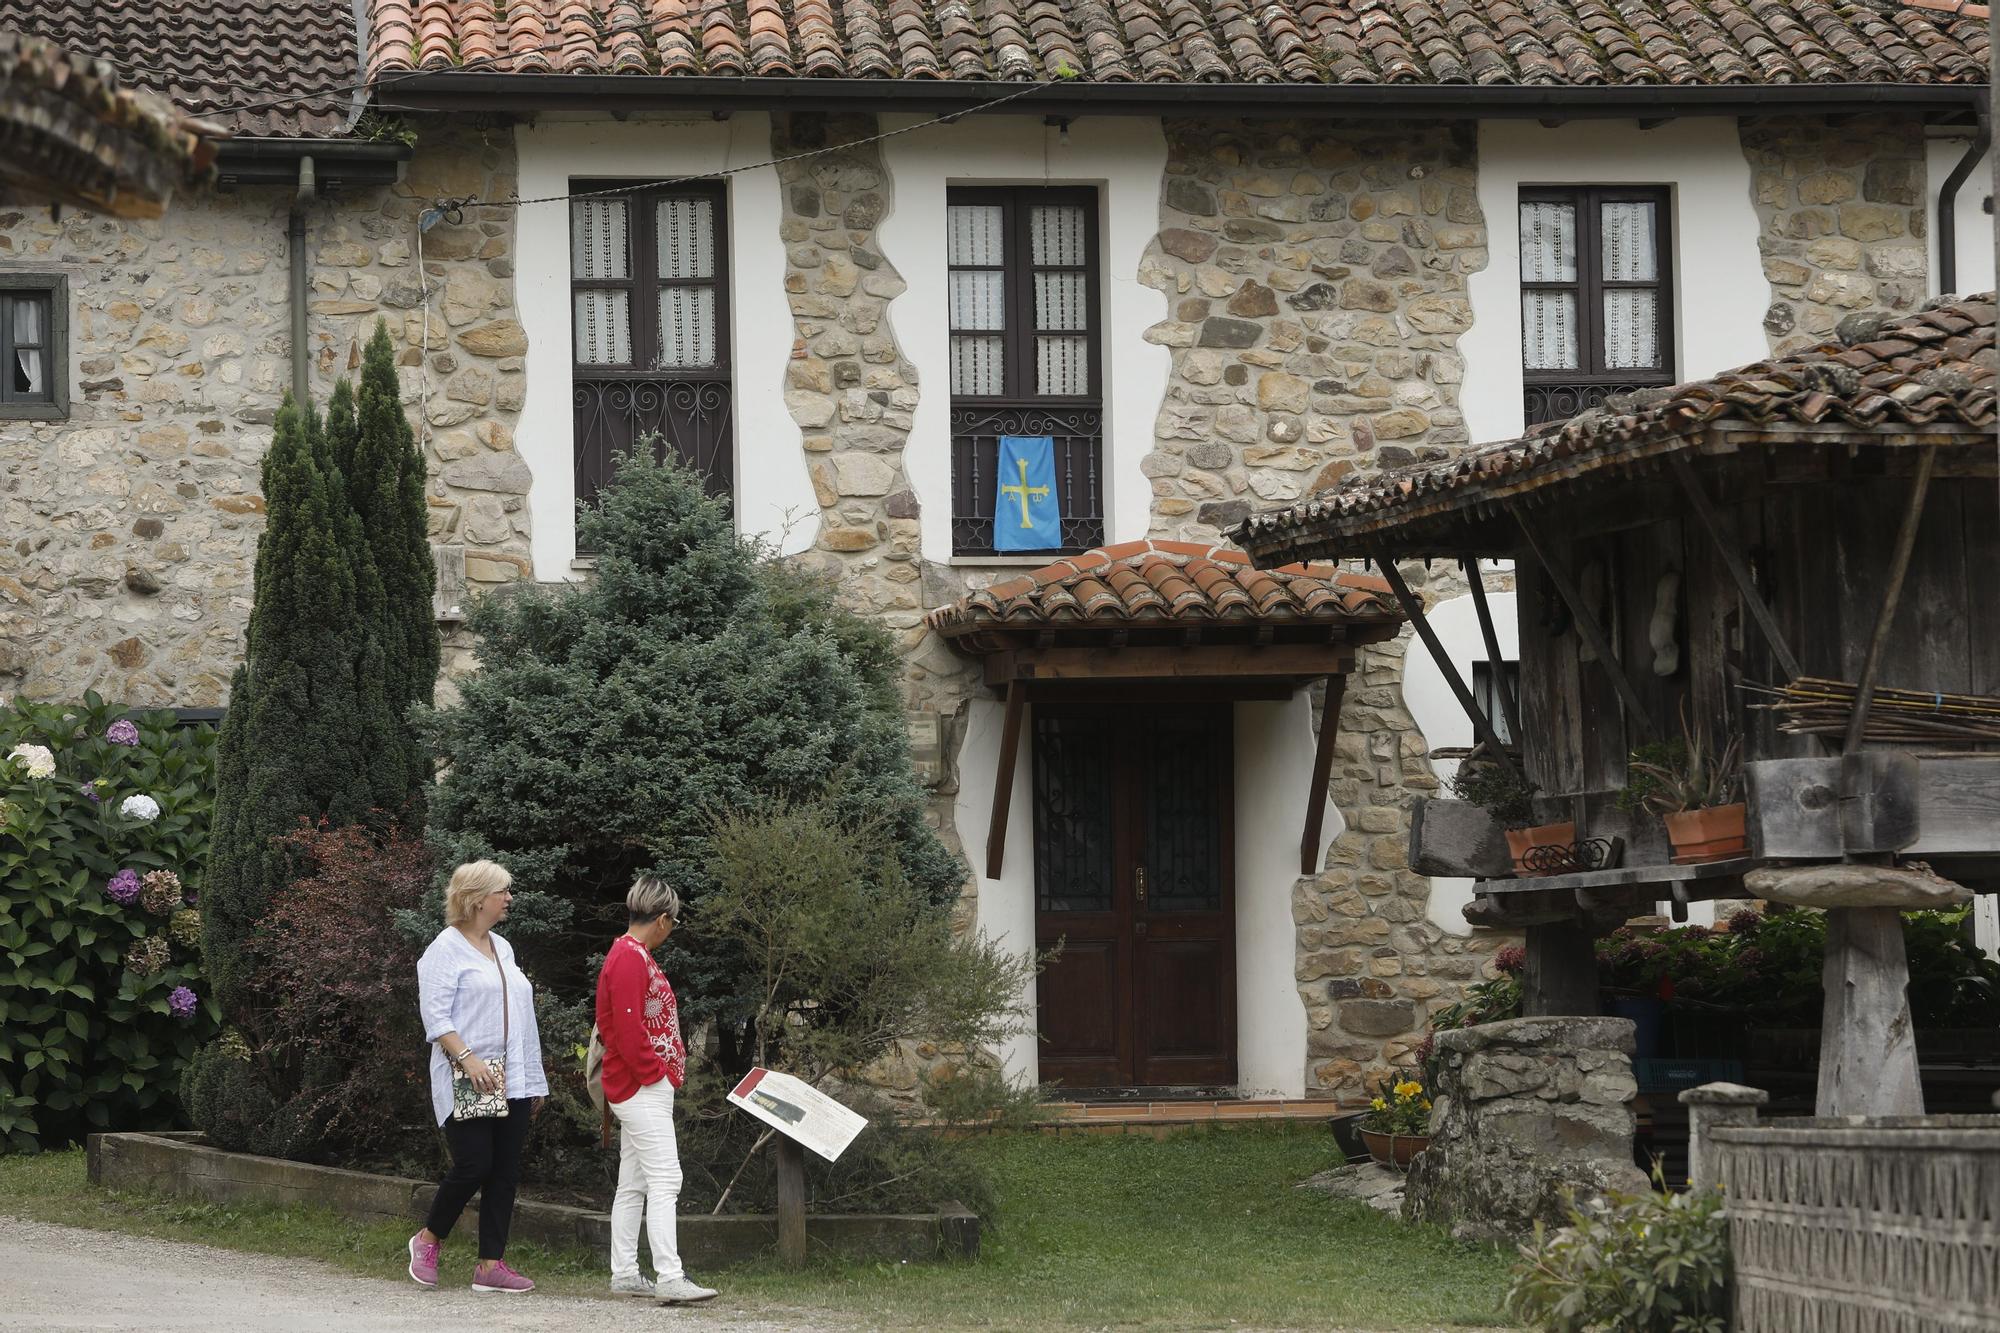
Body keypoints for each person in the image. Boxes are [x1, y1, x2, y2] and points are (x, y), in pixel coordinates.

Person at [408, 860, 548, 1294]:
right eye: (502, 891)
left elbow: (522, 1016)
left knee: (504, 1172)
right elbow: (435, 1015)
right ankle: (428, 1240)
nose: (509, 899)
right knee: (473, 1165)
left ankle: (490, 1265)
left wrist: (533, 1080)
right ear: (475, 898)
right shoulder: (444, 949)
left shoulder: (502, 948)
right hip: (465, 1075)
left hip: (514, 1078)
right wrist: (468, 1058)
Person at [596, 875, 718, 1305]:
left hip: (636, 1084)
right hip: (639, 1086)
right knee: (666, 1178)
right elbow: (626, 1030)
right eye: (675, 922)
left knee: (634, 1182)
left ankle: (625, 1272)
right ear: (663, 918)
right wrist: (654, 1074)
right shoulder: (630, 957)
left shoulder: (629, 953)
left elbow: (621, 1025)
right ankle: (670, 1276)